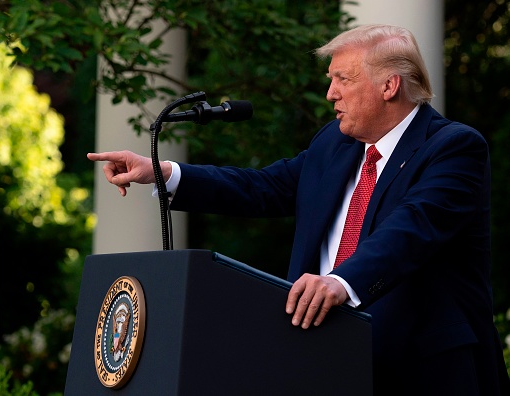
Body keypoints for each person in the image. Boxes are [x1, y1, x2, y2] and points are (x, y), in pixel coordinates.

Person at [88, 24, 510, 395]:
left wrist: (341, 282)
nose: (330, 93)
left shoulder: (453, 148)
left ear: (389, 86)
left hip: (423, 368)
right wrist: (164, 173)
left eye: (342, 79)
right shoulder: (336, 142)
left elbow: (411, 228)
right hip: (323, 357)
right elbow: (267, 187)